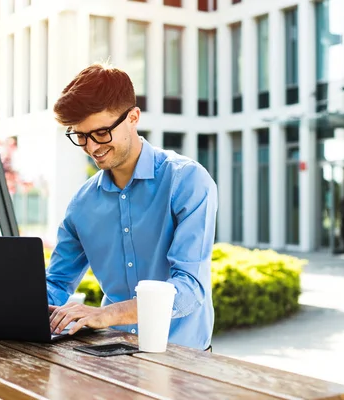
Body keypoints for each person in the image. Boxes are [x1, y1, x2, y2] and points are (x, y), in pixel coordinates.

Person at [46, 63, 218, 351]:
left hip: (182, 361)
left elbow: (189, 290)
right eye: (81, 136)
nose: (91, 147)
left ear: (133, 117)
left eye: (101, 132)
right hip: (110, 355)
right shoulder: (82, 203)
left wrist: (105, 315)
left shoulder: (186, 180)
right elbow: (57, 283)